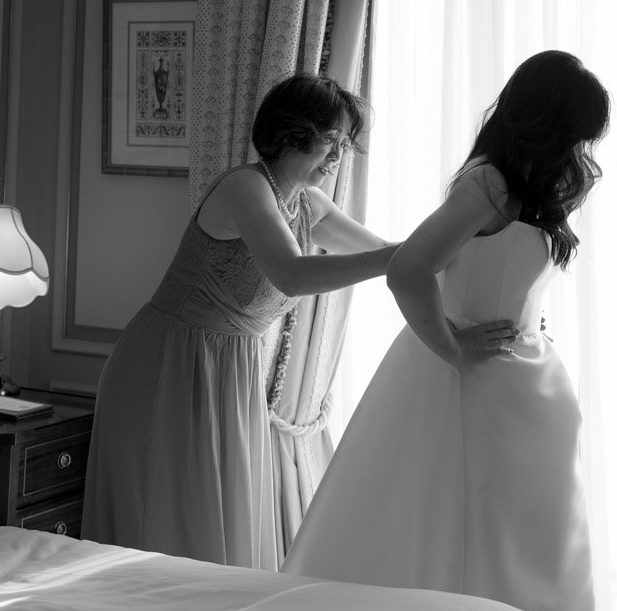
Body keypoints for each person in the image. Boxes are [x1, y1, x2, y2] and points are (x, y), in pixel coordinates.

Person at [285, 50, 617, 611]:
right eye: (576, 128)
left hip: (527, 397)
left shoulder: (540, 180)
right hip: (467, 394)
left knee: (540, 577)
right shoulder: (488, 182)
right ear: (547, 119)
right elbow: (408, 267)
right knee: (464, 566)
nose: (584, 147)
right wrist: (451, 346)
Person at [82, 73, 397, 570]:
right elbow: (293, 274)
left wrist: (445, 256)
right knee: (170, 517)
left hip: (230, 367)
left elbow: (380, 250)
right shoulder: (245, 189)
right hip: (169, 362)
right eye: (330, 141)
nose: (337, 157)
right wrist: (398, 262)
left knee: (219, 515)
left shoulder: (305, 203)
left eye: (343, 144)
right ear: (293, 132)